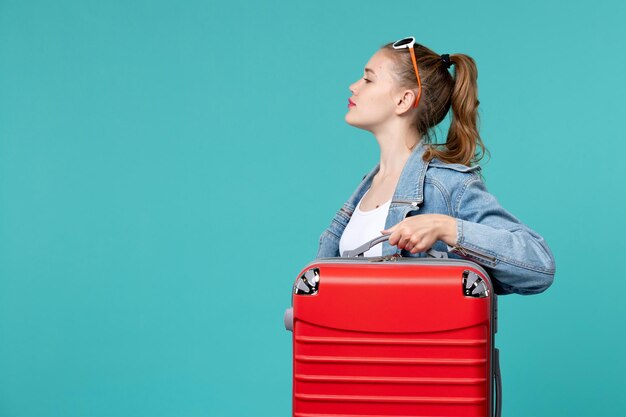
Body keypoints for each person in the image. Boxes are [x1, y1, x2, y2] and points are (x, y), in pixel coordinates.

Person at [315, 36, 555, 295]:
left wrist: (446, 228)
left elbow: (538, 265)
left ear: (403, 100)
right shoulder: (366, 188)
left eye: (368, 79)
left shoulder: (445, 184)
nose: (353, 87)